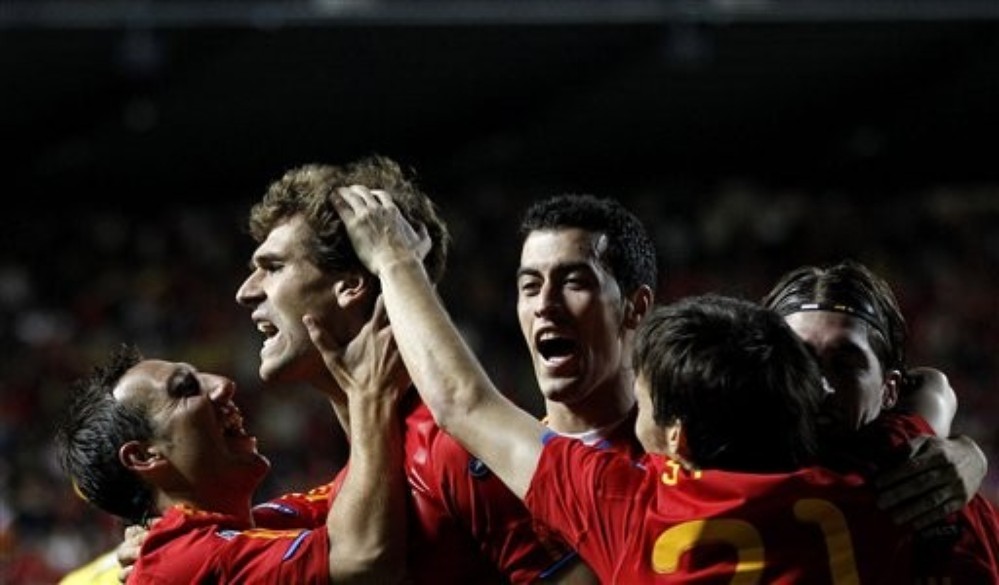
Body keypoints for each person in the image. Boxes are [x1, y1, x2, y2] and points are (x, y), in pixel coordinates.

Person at [326, 186, 999, 582]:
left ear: (675, 439)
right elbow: (923, 398)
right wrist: (944, 421)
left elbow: (464, 401)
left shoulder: (636, 506)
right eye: (801, 359)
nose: (819, 386)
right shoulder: (884, 485)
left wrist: (395, 261)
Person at [514, 193, 984, 529]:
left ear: (889, 389)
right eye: (799, 357)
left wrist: (964, 451)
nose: (820, 384)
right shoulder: (697, 454)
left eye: (845, 363)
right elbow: (931, 388)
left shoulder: (914, 482)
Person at [233, 156, 589, 583]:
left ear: (351, 284)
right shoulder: (359, 478)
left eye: (273, 267)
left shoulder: (453, 448)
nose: (245, 292)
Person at [55, 326, 409, 584]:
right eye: (185, 389)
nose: (224, 384)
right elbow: (365, 556)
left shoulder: (243, 531)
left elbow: (370, 491)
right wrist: (366, 393)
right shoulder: (182, 562)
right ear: (145, 456)